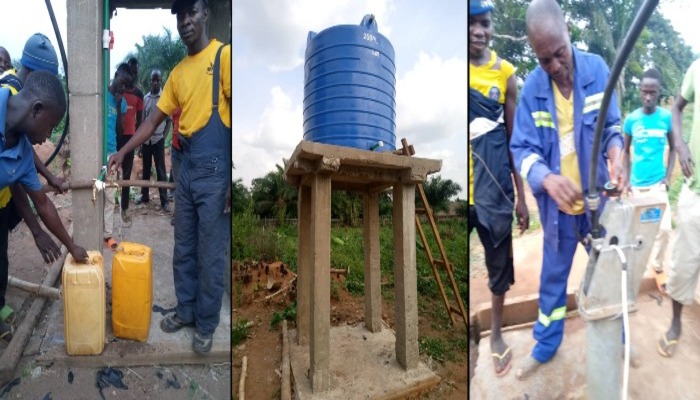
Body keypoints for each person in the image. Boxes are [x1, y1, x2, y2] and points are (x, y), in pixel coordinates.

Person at [509, 0, 625, 379]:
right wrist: (545, 178)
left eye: (559, 54)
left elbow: (612, 127)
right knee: (552, 284)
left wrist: (616, 151)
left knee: (609, 274)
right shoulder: (532, 90)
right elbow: (521, 149)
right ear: (535, 55)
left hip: (597, 206)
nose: (556, 66)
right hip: (559, 213)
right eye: (545, 60)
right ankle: (545, 346)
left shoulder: (597, 70)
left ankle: (620, 340)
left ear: (568, 34)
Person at [108, 0, 231, 354]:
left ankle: (206, 324)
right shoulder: (178, 72)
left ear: (206, 13)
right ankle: (187, 310)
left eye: (191, 12)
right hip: (186, 165)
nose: (185, 21)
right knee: (184, 247)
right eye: (179, 16)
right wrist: (122, 152)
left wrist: (231, 183)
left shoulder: (223, 58)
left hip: (215, 166)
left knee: (210, 252)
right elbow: (151, 122)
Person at [0, 70, 89, 339]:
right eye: (51, 127)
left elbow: (43, 203)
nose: (48, 136)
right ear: (36, 110)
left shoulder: (24, 152)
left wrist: (71, 247)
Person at [468, 0, 529, 377]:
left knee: (498, 267)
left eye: (485, 23)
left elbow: (514, 138)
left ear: (492, 26)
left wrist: (522, 196)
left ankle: (494, 334)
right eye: (471, 23)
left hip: (494, 192)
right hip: (464, 192)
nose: (478, 30)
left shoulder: (505, 73)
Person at [658, 57, 700, 358]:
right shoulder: (697, 68)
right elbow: (676, 107)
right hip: (696, 192)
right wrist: (681, 145)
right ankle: (675, 324)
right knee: (683, 265)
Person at [622, 68, 674, 295]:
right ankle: (632, 274)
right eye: (645, 92)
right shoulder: (632, 119)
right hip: (636, 187)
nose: (648, 97)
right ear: (640, 91)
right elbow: (624, 151)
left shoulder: (666, 117)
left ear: (658, 92)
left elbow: (673, 148)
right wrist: (626, 179)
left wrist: (668, 177)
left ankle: (658, 266)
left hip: (657, 185)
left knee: (664, 229)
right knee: (637, 234)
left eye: (652, 92)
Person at [136, 69, 171, 212]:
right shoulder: (146, 98)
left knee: (161, 171)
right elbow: (143, 121)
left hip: (158, 140)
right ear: (150, 81)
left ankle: (164, 201)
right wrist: (139, 143)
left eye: (157, 80)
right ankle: (144, 196)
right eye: (153, 80)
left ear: (160, 81)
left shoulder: (165, 98)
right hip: (146, 141)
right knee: (145, 170)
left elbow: (168, 121)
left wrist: (163, 135)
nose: (155, 82)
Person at [103, 65, 130, 250]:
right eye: (121, 83)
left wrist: (120, 108)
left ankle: (107, 235)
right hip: (96, 151)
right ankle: (96, 228)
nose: (122, 88)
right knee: (96, 191)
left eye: (126, 86)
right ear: (115, 76)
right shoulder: (101, 95)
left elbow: (120, 132)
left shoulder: (122, 103)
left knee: (110, 195)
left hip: (112, 152)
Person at [117, 57, 144, 224]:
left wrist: (138, 141)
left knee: (126, 174)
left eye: (135, 73)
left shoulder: (139, 94)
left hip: (130, 138)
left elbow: (141, 121)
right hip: (115, 137)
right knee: (111, 172)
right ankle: (109, 205)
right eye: (131, 72)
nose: (133, 75)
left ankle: (124, 209)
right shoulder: (120, 91)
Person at [168, 107, 182, 226]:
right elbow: (173, 122)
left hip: (190, 149)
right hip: (176, 148)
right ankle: (177, 214)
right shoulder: (175, 103)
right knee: (178, 183)